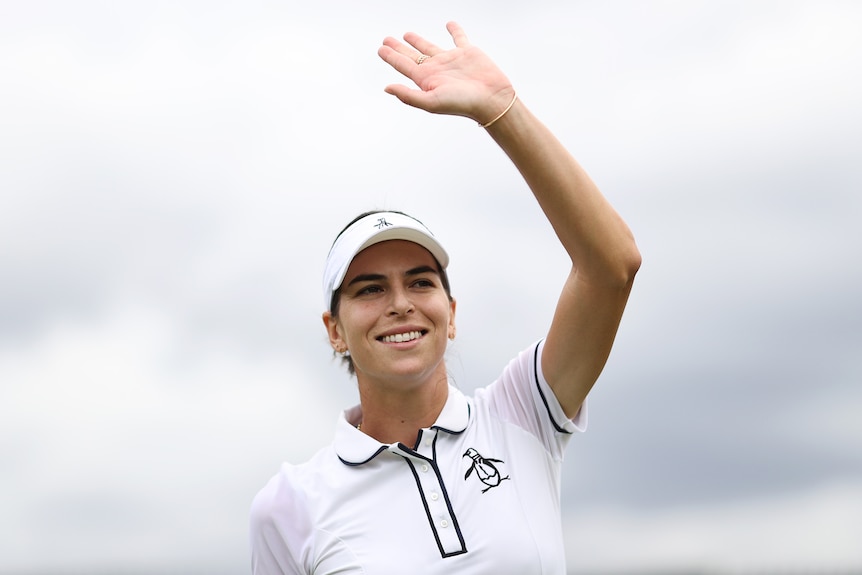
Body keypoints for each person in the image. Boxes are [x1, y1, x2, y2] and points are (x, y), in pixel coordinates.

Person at [249, 21, 641, 574]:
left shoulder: (520, 414)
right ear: (333, 328)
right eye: (369, 289)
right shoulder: (288, 507)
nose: (401, 303)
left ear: (451, 315)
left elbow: (611, 269)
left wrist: (502, 114)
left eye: (421, 281)